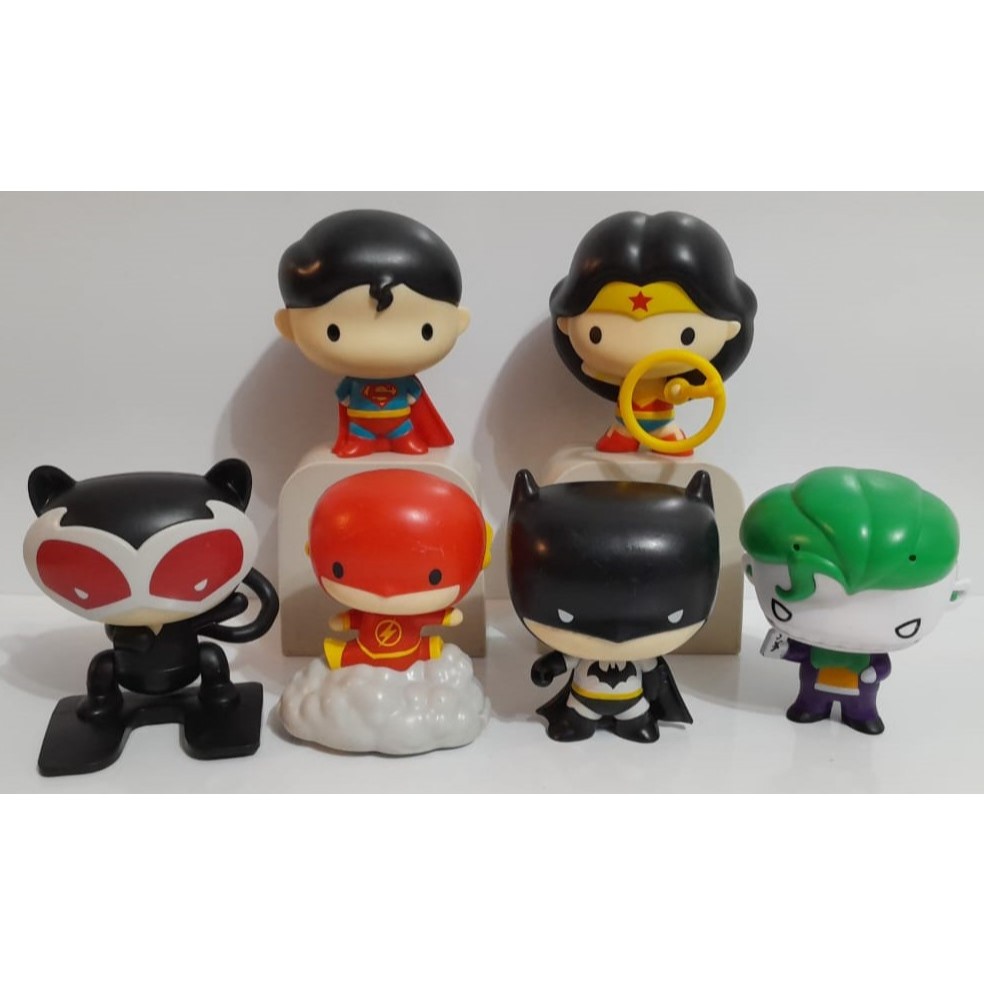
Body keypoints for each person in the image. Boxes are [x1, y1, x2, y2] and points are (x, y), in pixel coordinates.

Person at [551, 210, 756, 454]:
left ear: (730, 329)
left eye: (687, 335)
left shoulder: (672, 383)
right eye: (597, 334)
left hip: (663, 424)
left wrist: (689, 390)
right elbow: (595, 373)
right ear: (566, 324)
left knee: (672, 446)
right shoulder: (616, 375)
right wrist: (594, 371)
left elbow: (680, 392)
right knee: (618, 442)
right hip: (624, 424)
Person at [275, 209, 470, 456]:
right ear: (288, 326)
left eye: (426, 331)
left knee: (404, 437)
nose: (380, 346)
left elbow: (411, 396)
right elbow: (344, 398)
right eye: (334, 332)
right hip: (361, 427)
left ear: (459, 322)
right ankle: (360, 443)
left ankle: (404, 440)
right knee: (361, 438)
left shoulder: (404, 384)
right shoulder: (352, 384)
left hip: (402, 426)